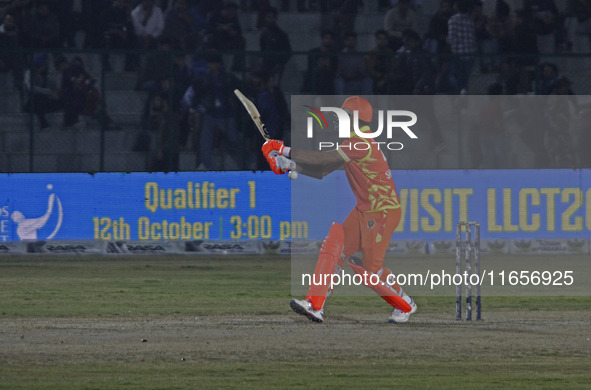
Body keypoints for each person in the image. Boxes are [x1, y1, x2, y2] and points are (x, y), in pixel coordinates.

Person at [261, 96, 417, 324]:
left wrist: (282, 149)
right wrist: (290, 165)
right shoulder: (353, 143)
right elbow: (323, 169)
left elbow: (321, 157)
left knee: (369, 273)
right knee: (335, 241)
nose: (338, 120)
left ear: (356, 118)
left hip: (383, 211)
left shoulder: (360, 142)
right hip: (365, 209)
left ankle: (405, 304)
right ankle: (315, 305)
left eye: (343, 115)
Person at [447, 0, 477, 94]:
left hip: (458, 54)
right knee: (466, 78)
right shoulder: (470, 21)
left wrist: (446, 40)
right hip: (470, 54)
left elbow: (451, 39)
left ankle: (460, 92)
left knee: (452, 76)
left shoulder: (453, 20)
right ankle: (464, 93)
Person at [258, 6, 292, 84]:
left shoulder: (281, 34)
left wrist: (280, 64)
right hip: (265, 65)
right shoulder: (264, 34)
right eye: (268, 17)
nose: (269, 19)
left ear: (275, 18)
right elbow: (262, 48)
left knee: (275, 87)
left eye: (271, 17)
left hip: (276, 66)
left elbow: (288, 51)